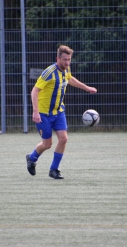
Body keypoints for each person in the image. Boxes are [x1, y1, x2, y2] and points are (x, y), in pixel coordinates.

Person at [26, 45, 97, 179]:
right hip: (43, 114)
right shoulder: (49, 73)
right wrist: (35, 111)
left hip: (58, 112)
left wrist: (86, 88)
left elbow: (70, 79)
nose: (67, 62)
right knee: (47, 144)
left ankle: (54, 170)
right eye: (65, 59)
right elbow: (34, 90)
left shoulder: (66, 69)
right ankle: (31, 158)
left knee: (63, 139)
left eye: (69, 59)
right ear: (57, 58)